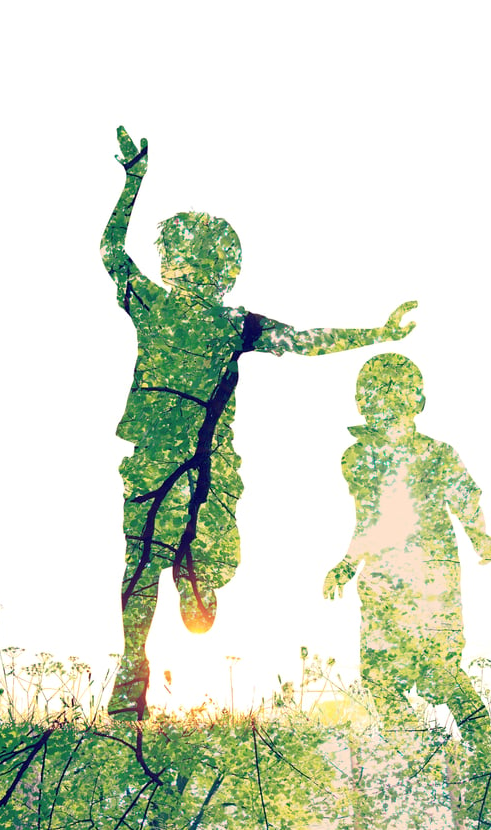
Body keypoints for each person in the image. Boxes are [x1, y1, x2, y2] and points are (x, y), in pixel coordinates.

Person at [101, 127, 417, 718]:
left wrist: (377, 332)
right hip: (160, 450)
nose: (191, 271)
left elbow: (301, 340)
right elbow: (112, 258)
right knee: (141, 558)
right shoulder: (172, 310)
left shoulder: (227, 323)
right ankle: (131, 671)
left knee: (183, 551)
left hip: (205, 456)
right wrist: (133, 182)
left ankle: (194, 579)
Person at [323, 353, 491, 750]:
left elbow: (373, 519)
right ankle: (444, 749)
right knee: (416, 673)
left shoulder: (371, 456)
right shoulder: (384, 456)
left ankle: (438, 748)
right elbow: (378, 519)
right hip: (415, 572)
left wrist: (348, 565)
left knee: (408, 674)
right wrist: (348, 566)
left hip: (411, 573)